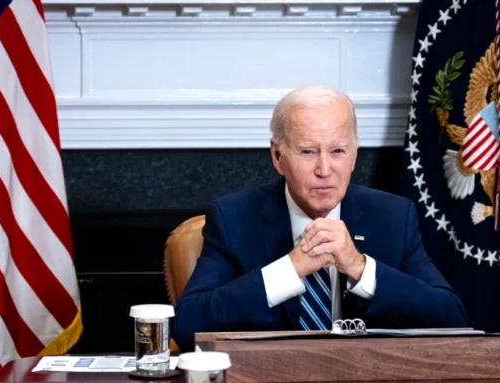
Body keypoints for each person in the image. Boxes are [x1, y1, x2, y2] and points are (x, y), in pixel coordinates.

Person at [172, 86, 467, 352]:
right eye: (308, 151)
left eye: (338, 151)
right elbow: (187, 327)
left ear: (353, 155)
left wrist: (359, 268)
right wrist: (290, 269)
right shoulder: (233, 218)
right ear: (278, 156)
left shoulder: (392, 217)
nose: (324, 169)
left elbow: (452, 319)